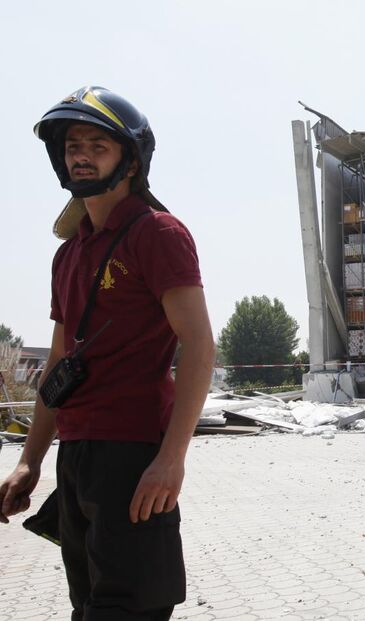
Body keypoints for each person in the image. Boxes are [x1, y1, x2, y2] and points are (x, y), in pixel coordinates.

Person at [0, 86, 215, 620]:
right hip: (78, 457)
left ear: (131, 158)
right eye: (73, 145)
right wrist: (30, 460)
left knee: (129, 609)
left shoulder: (158, 233)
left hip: (134, 455)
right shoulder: (68, 254)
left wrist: (171, 459)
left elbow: (199, 344)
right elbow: (57, 364)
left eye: (99, 145)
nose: (81, 155)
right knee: (90, 606)